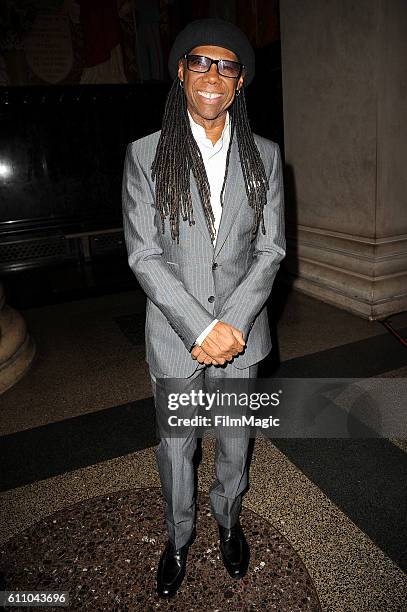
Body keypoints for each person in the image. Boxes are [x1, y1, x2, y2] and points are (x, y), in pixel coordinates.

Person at [122, 18, 285, 598]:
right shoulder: (146, 156)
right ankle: (178, 536)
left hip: (242, 337)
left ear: (239, 82)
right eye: (200, 64)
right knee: (177, 447)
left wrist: (231, 325)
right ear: (182, 75)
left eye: (226, 66)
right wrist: (200, 327)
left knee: (235, 441)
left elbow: (271, 250)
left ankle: (228, 522)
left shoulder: (263, 157)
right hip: (175, 336)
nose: (212, 76)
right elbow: (143, 255)